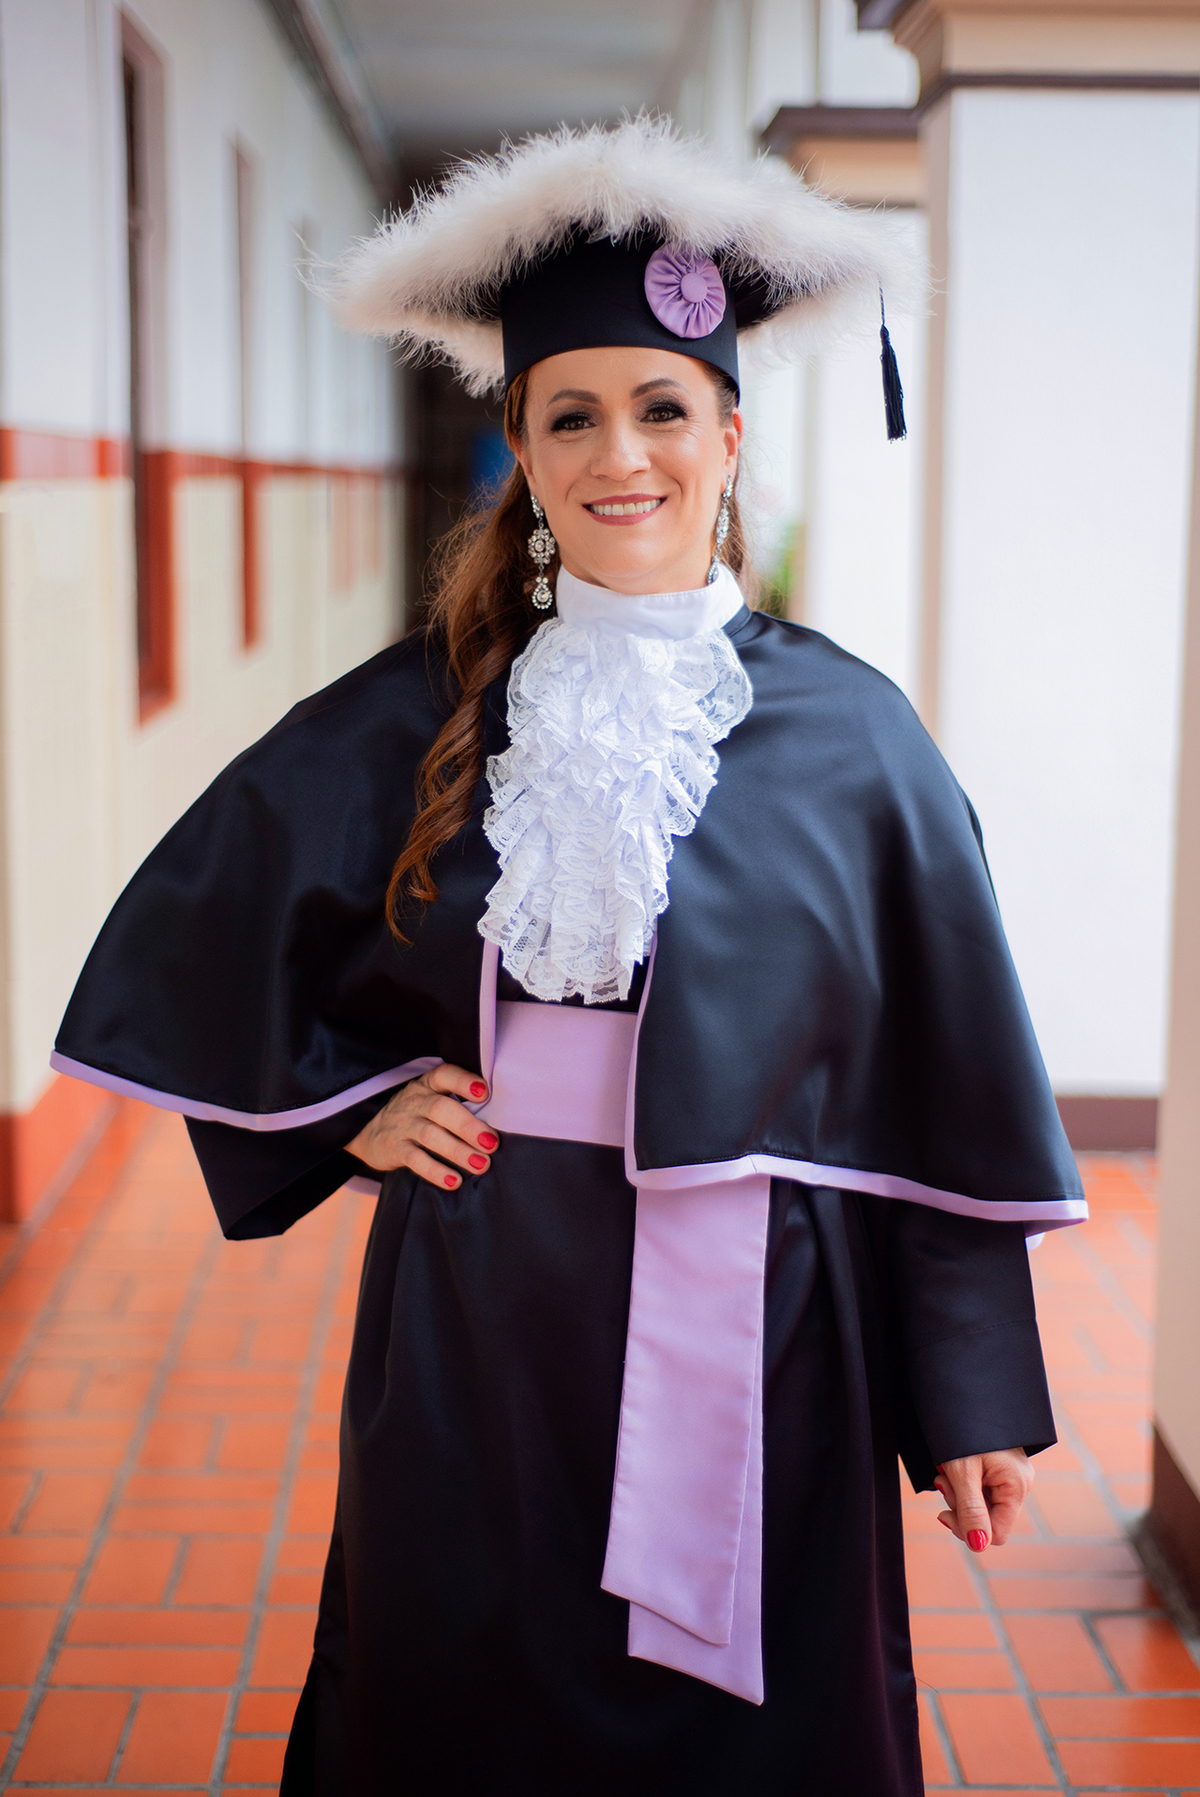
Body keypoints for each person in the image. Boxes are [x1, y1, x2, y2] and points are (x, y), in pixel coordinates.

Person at [53, 118, 1087, 1795]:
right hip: (483, 1301)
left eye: (664, 407)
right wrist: (338, 1115)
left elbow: (930, 1097)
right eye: (573, 416)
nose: (625, 454)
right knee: (463, 1677)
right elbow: (211, 936)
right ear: (523, 452)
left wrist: (967, 1389)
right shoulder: (424, 709)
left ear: (731, 433)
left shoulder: (857, 741)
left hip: (774, 1324)